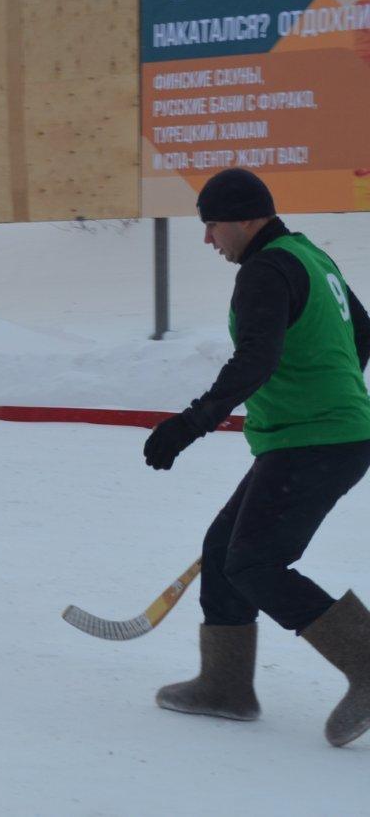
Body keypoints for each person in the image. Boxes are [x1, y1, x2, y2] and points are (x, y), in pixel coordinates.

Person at [143, 168, 370, 747]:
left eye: (212, 225)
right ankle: (225, 686)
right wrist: (326, 395)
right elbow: (362, 335)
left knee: (254, 563)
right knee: (223, 551)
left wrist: (189, 424)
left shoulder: (266, 271)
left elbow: (254, 362)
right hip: (312, 435)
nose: (208, 239)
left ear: (245, 219)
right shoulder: (310, 257)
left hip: (317, 439)